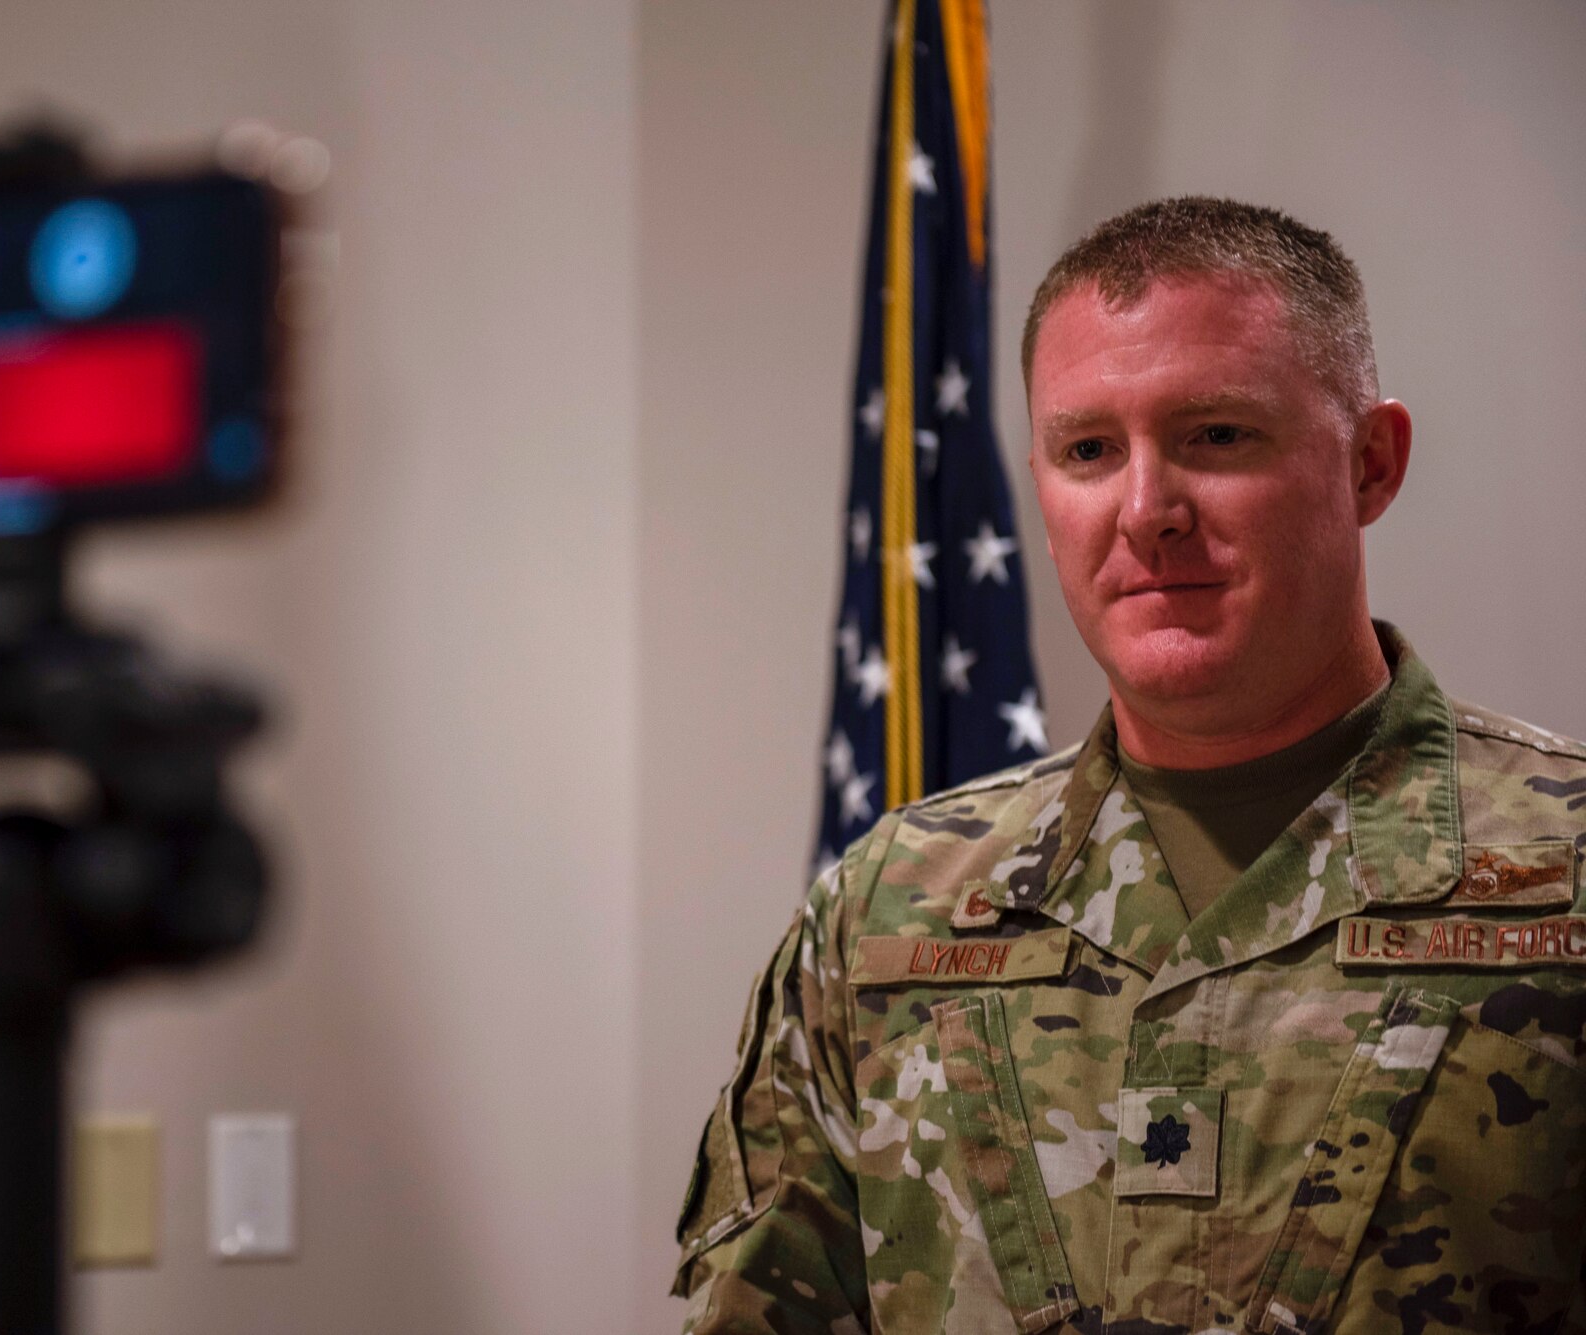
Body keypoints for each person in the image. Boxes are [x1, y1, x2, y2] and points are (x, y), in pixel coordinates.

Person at [672, 197, 1586, 1334]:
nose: (1146, 510)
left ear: (1368, 463)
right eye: (1087, 450)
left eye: (1215, 435)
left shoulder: (1562, 876)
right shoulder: (888, 909)